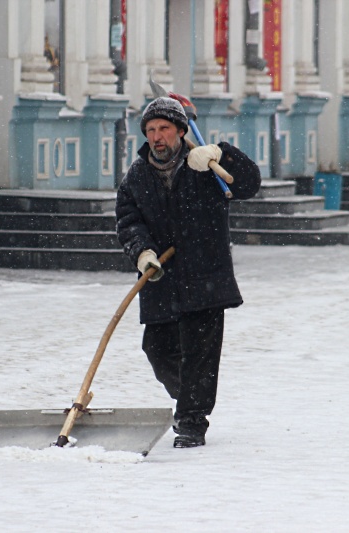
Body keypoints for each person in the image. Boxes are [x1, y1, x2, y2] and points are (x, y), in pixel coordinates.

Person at [115, 97, 262, 448]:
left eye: (164, 128)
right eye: (150, 130)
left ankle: (192, 421)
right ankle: (191, 395)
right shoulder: (136, 176)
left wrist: (222, 154)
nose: (157, 136)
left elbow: (249, 184)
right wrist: (142, 253)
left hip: (204, 276)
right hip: (161, 277)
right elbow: (128, 221)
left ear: (181, 131)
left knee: (199, 352)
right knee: (157, 348)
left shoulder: (205, 165)